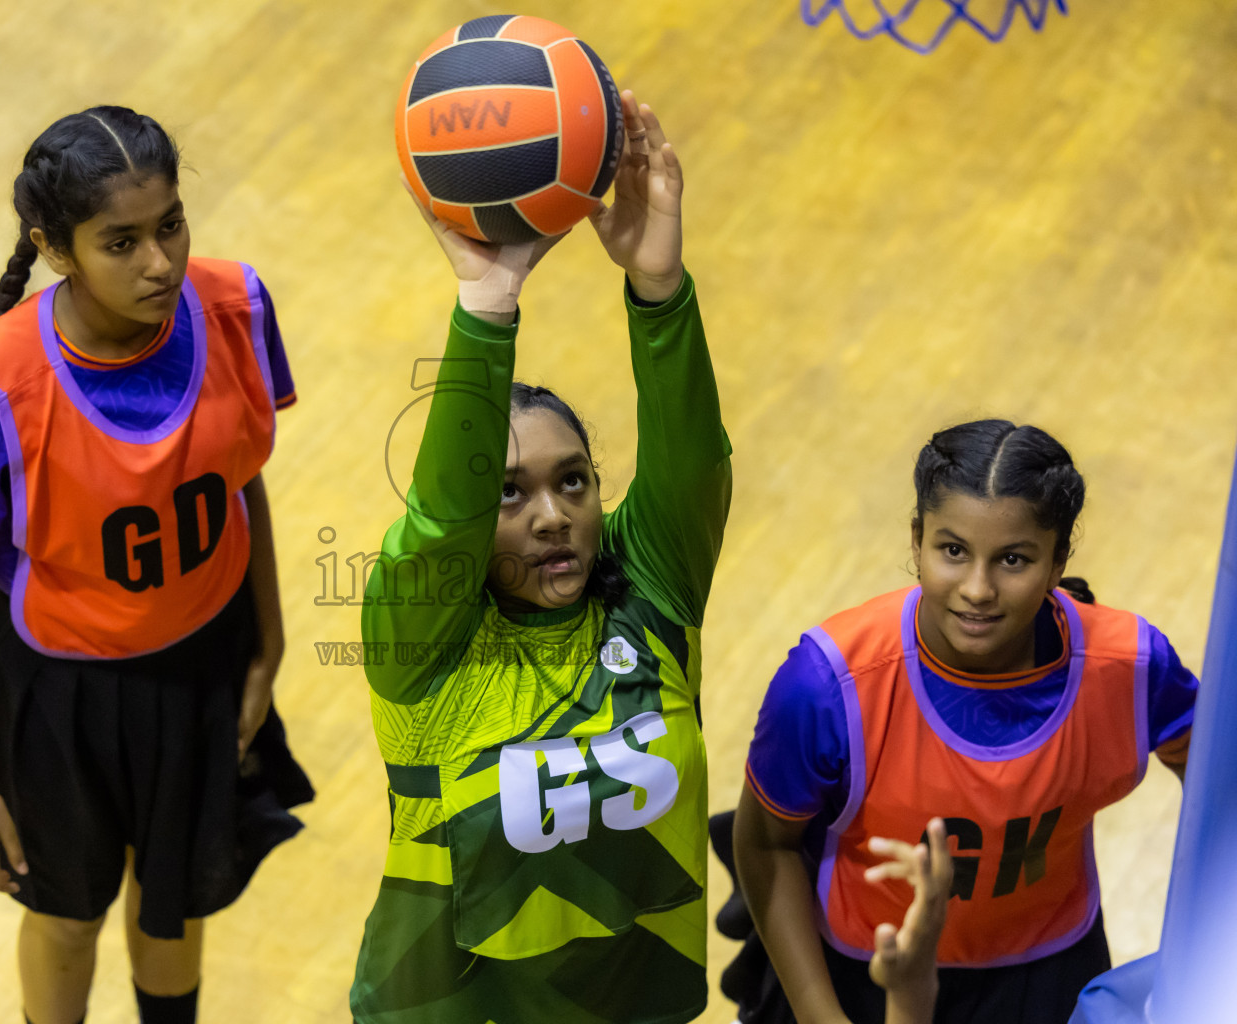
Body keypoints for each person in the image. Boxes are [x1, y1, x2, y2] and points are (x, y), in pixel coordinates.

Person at [349, 91, 949, 1024]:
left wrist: (658, 286)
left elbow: (691, 463)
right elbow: (436, 520)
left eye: (574, 482)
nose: (553, 516)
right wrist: (486, 307)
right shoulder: (419, 648)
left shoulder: (650, 597)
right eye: (508, 494)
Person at [0, 105, 312, 1024]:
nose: (160, 262)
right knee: (66, 919)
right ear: (56, 250)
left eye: (170, 223)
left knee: (174, 911)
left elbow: (241, 482)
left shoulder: (236, 307)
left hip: (203, 665)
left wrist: (268, 649)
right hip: (57, 696)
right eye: (121, 241)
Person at [727, 419, 1200, 1024]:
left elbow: (1216, 780)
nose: (978, 588)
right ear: (917, 538)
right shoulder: (828, 685)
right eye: (953, 551)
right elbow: (764, 844)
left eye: (1013, 559)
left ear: (1058, 562)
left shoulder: (1131, 669)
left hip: (1048, 970)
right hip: (863, 970)